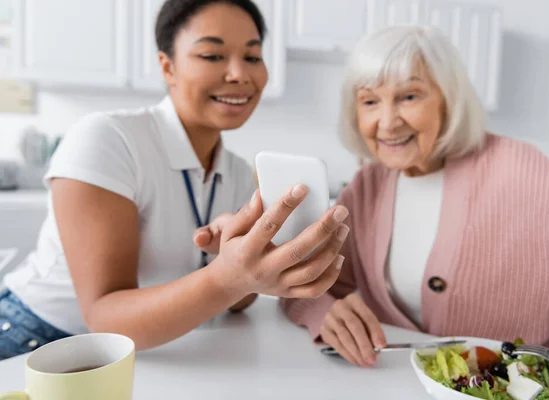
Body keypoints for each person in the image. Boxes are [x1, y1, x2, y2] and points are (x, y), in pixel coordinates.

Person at [0, 0, 349, 360]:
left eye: (252, 56)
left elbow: (237, 301)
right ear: (167, 67)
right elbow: (104, 318)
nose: (239, 74)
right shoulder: (107, 139)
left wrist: (238, 262)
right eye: (213, 56)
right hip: (38, 341)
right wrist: (227, 276)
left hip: (149, 351)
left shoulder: (239, 172)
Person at [281, 25, 549, 373]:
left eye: (409, 97)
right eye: (370, 101)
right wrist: (323, 312)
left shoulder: (538, 181)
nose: (387, 122)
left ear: (449, 99)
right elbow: (301, 283)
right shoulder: (367, 188)